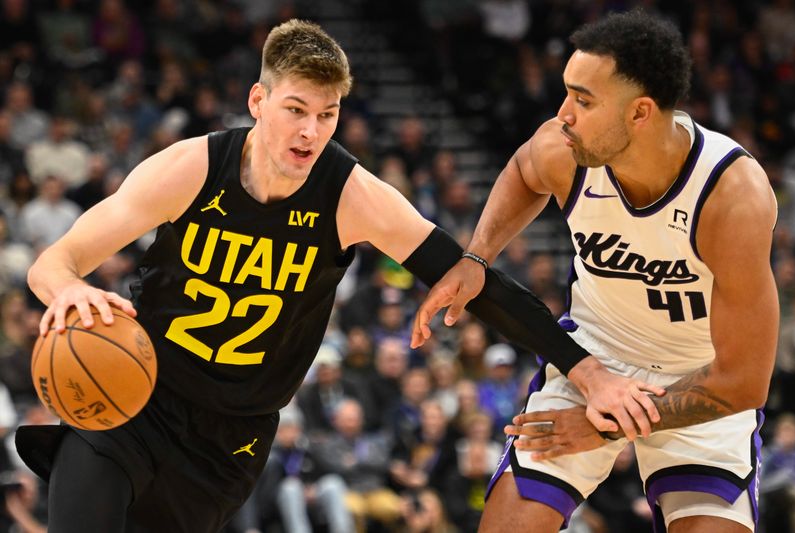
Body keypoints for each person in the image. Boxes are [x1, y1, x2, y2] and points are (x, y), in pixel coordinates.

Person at [19, 19, 661, 533]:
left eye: (326, 116)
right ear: (258, 101)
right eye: (296, 110)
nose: (310, 132)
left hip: (227, 439)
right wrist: (70, 289)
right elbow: (54, 262)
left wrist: (587, 370)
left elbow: (475, 282)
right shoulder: (190, 168)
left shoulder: (352, 195)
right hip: (135, 398)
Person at [412, 9, 778, 533]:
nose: (563, 113)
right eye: (566, 92)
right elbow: (523, 170)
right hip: (595, 358)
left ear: (641, 113)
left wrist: (605, 430)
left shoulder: (731, 196)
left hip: (699, 383)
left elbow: (744, 382)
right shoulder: (564, 151)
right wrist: (478, 254)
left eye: (583, 100)